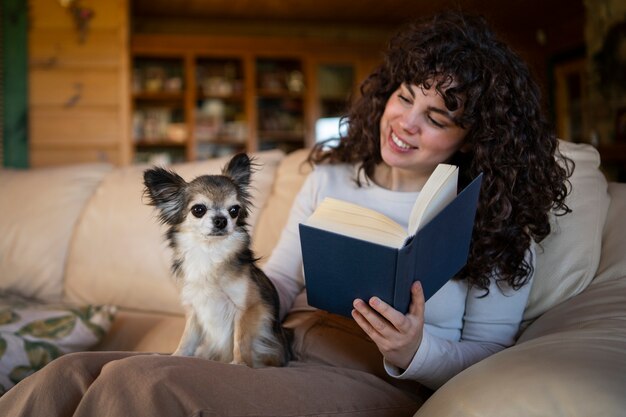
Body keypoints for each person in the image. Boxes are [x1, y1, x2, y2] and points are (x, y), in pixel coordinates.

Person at [0, 11, 572, 417]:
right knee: (63, 376)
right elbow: (276, 280)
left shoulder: (494, 220)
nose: (407, 123)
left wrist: (412, 350)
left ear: (474, 138)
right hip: (283, 342)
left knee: (142, 385)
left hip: (371, 376)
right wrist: (217, 277)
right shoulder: (328, 177)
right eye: (405, 96)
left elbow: (495, 353)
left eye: (438, 117)